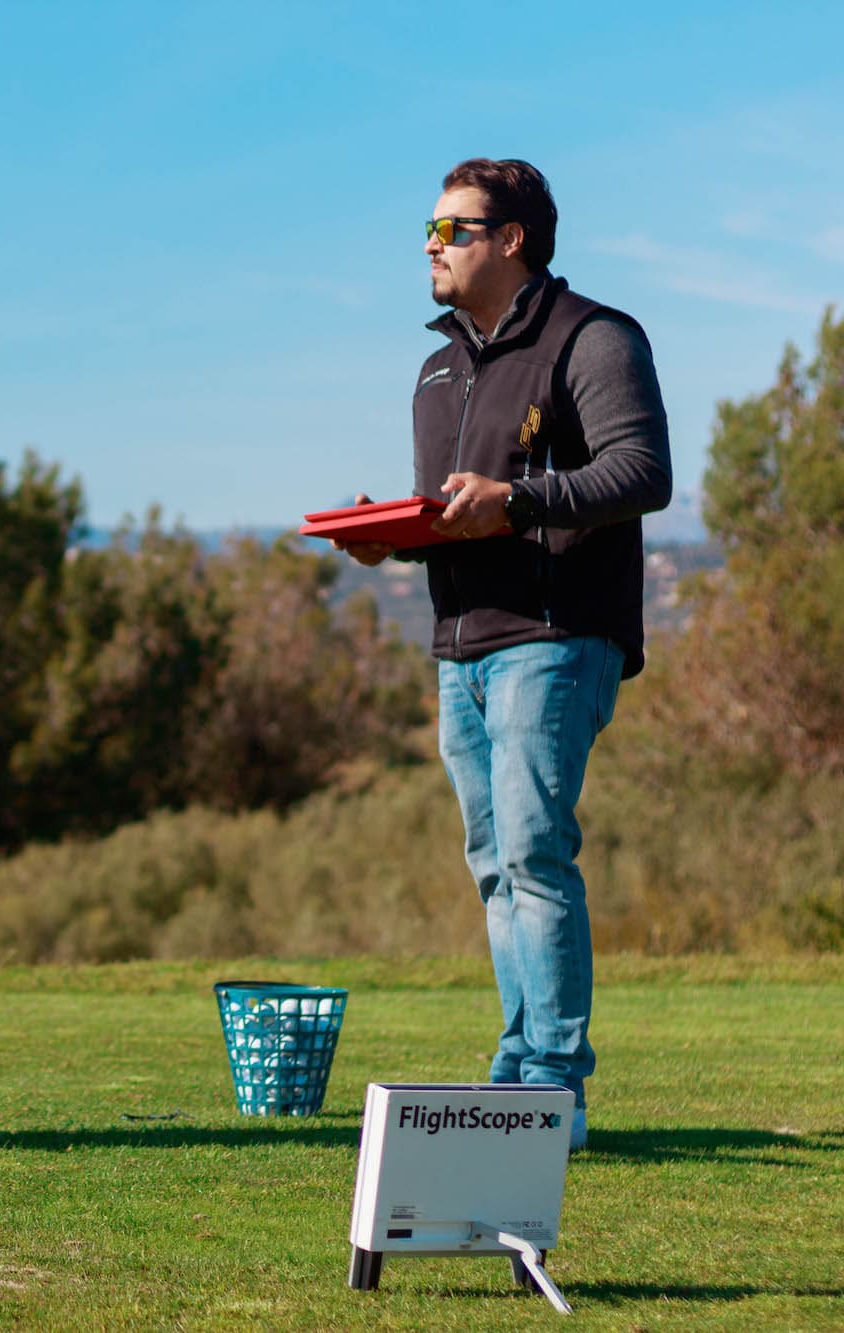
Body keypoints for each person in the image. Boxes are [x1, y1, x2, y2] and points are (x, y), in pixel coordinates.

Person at [335, 158, 670, 1150]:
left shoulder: (593, 337)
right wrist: (386, 535)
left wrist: (518, 500)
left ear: (511, 239)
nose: (430, 245)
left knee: (531, 852)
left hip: (556, 636)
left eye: (453, 228)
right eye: (427, 230)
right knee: (493, 865)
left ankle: (549, 1090)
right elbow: (451, 517)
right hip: (460, 645)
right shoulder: (435, 368)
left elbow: (640, 470)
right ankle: (517, 1069)